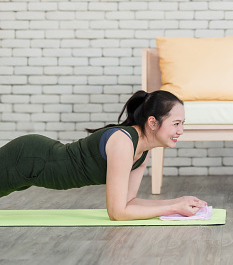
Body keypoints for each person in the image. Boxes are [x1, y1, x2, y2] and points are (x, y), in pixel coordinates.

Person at [0, 90, 207, 221]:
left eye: (182, 124)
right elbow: (116, 213)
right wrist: (172, 207)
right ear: (153, 122)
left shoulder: (142, 153)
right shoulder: (123, 142)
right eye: (176, 124)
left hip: (34, 167)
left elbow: (129, 203)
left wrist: (177, 203)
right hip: (28, 159)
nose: (181, 131)